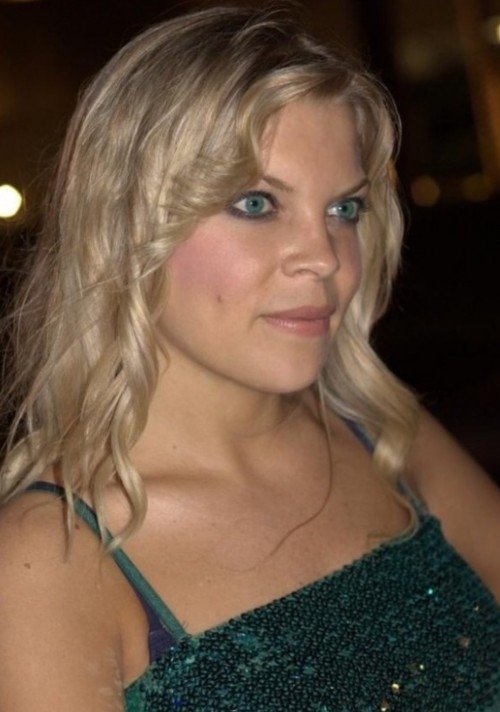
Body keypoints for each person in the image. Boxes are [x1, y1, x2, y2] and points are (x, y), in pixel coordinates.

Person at [0, 5, 499, 711]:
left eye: (345, 209)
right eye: (257, 204)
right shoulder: (50, 557)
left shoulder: (388, 438)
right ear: (123, 228)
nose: (325, 257)